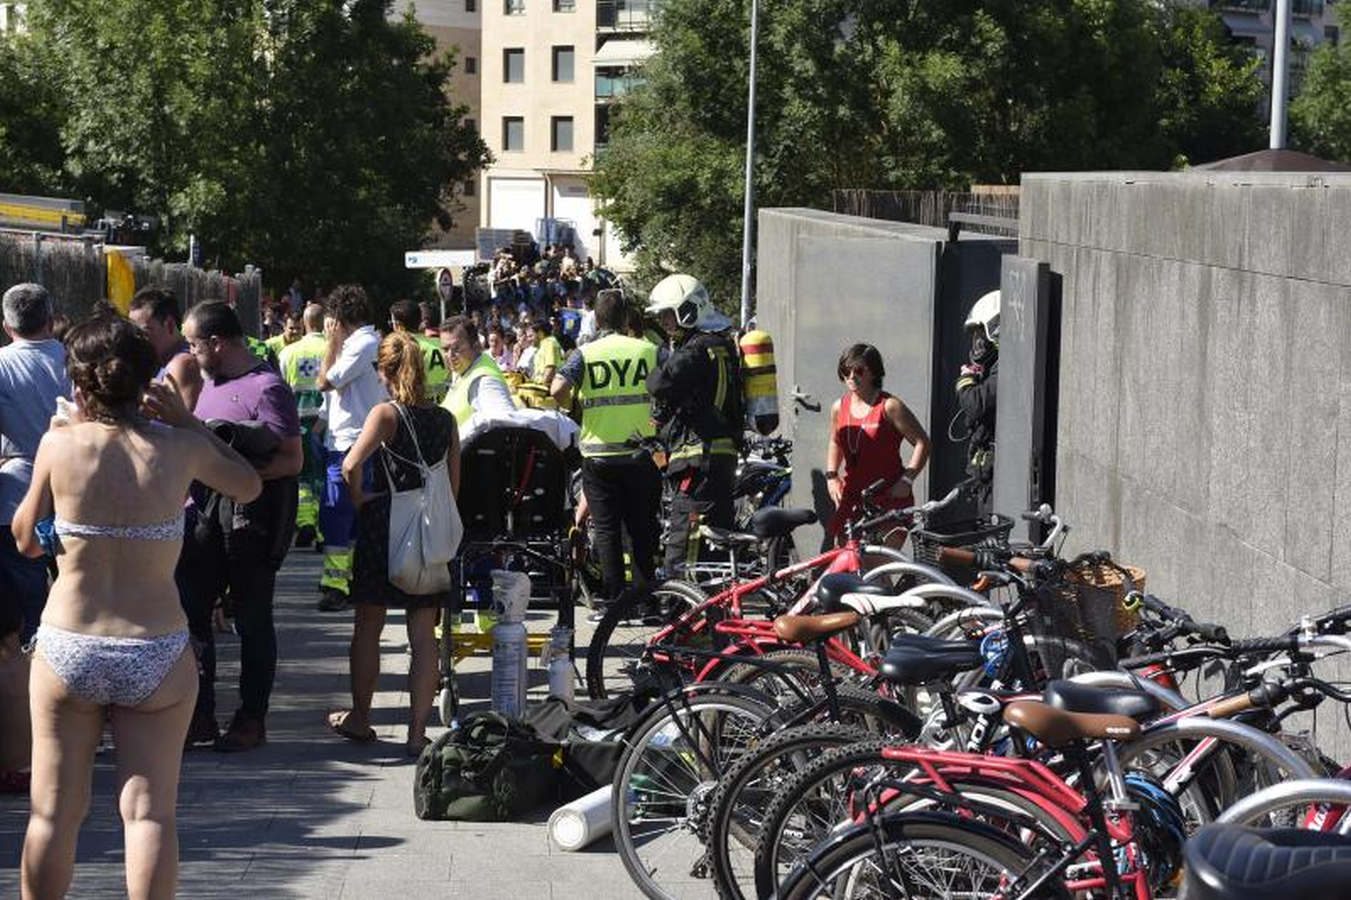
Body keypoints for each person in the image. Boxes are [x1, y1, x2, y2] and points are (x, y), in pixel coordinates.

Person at [13, 314, 259, 899]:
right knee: (149, 817)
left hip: (70, 641)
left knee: (52, 815)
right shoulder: (176, 449)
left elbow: (24, 538)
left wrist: (60, 441)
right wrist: (189, 423)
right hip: (155, 645)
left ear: (79, 385)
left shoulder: (59, 444)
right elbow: (248, 484)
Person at [175, 302, 303, 751]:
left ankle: (251, 719)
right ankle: (199, 716)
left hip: (251, 525)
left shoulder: (267, 387)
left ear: (217, 342)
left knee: (252, 621)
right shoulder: (206, 384)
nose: (189, 353)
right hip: (204, 519)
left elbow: (292, 459)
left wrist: (235, 477)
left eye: (194, 344)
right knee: (191, 614)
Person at [326, 332, 460, 756]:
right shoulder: (445, 419)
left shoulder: (386, 415)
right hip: (427, 531)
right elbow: (453, 485)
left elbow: (350, 464)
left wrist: (361, 497)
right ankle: (417, 733)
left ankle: (362, 719)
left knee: (369, 625)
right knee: (424, 633)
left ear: (383, 371)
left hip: (383, 525)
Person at [550, 292, 659, 607]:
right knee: (642, 529)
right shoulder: (649, 351)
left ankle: (614, 602)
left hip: (599, 457)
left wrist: (574, 406)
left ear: (596, 320)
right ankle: (646, 603)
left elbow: (557, 388)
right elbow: (669, 383)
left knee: (607, 529)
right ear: (626, 320)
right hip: (642, 453)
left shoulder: (584, 353)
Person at [644, 273, 743, 577]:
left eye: (669, 315)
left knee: (685, 540)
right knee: (715, 541)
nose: (666, 324)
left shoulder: (697, 348)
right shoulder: (723, 345)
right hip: (721, 458)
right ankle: (712, 611)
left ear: (688, 310)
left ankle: (679, 609)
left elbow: (660, 382)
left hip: (698, 460)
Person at [0, 284, 71, 645]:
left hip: (17, 501)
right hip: (79, 493)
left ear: (6, 325)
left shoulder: (2, 365)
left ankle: (33, 685)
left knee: (27, 607)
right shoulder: (78, 361)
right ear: (50, 319)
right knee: (79, 594)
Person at [315, 285, 387, 611]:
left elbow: (325, 382)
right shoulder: (358, 345)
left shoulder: (361, 345)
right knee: (347, 517)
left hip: (352, 444)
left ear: (342, 319)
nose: (329, 329)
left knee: (338, 515)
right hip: (346, 440)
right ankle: (350, 581)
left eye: (332, 322)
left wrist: (331, 344)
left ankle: (337, 585)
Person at [826, 343, 931, 543]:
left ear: (874, 372)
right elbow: (835, 441)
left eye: (858, 370)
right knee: (849, 563)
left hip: (888, 498)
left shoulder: (889, 406)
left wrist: (907, 480)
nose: (851, 376)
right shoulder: (839, 407)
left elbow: (922, 443)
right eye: (845, 371)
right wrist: (832, 476)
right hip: (853, 497)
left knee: (876, 567)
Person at [277, 302, 328, 548]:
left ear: (305, 323)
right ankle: (322, 530)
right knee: (325, 477)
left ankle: (306, 520)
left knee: (303, 477)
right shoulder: (333, 349)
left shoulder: (288, 353)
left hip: (298, 422)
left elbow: (280, 389)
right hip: (327, 421)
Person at [956, 290, 999, 515]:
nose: (977, 343)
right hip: (983, 470)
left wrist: (966, 381)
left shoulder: (1003, 368)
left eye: (981, 335)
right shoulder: (990, 368)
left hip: (997, 474)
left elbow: (975, 403)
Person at [128, 285, 202, 411]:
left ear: (169, 324)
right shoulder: (160, 361)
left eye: (144, 332)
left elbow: (178, 423)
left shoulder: (182, 363)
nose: (137, 339)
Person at [439, 315, 516, 430]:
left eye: (456, 348)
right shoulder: (464, 366)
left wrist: (463, 440)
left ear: (475, 346)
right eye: (445, 349)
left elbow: (506, 424)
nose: (450, 356)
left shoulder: (484, 381)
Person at [389, 299, 450, 403]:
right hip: (445, 404)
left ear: (399, 326)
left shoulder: (403, 349)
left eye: (392, 323)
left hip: (418, 410)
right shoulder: (439, 344)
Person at [531, 317, 563, 387]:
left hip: (549, 387)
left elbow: (550, 368)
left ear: (540, 332)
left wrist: (541, 387)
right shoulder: (543, 344)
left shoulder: (549, 343)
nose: (530, 339)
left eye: (532, 335)